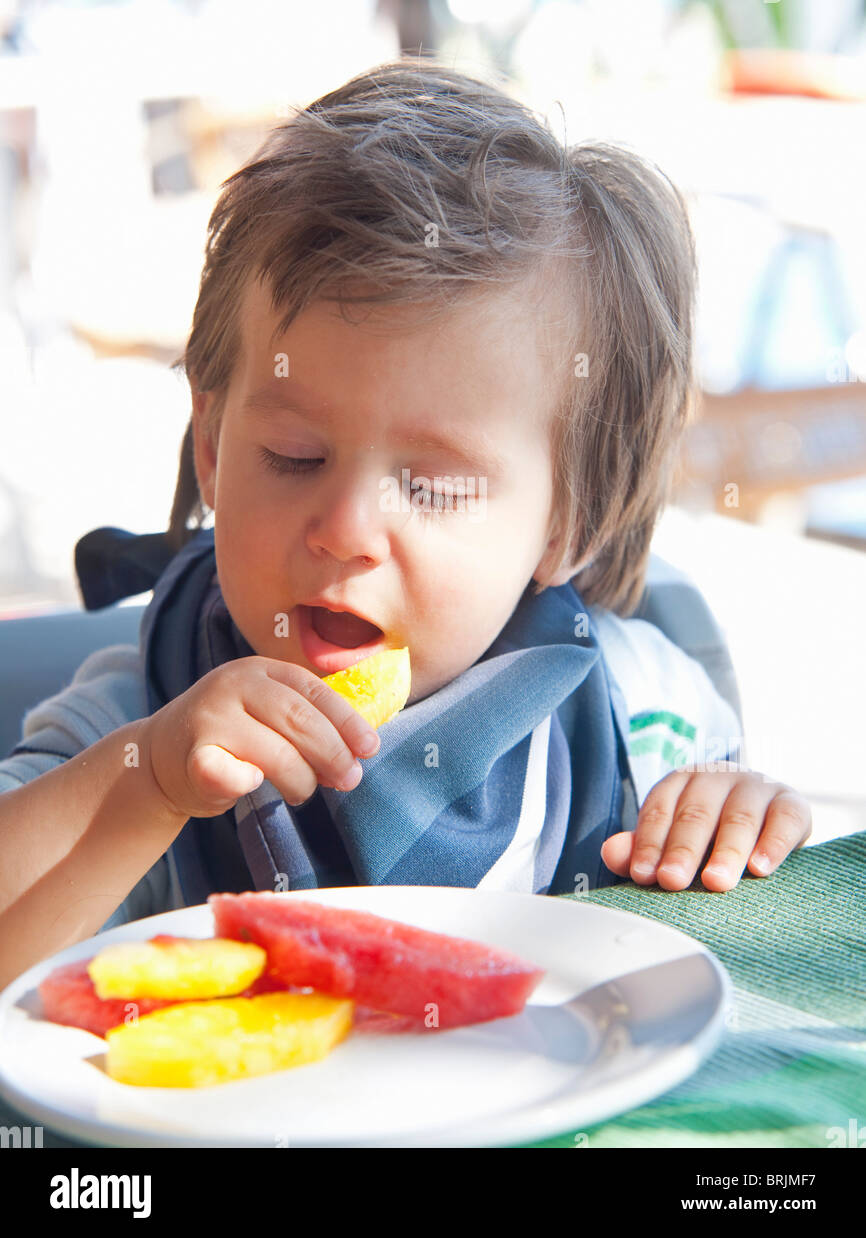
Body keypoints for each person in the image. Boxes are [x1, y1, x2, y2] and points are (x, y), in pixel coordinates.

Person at [0, 58, 810, 990]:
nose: (346, 527)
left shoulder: (642, 716)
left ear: (567, 522)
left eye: (429, 485)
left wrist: (733, 823)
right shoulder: (142, 714)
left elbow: (737, 939)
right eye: (295, 457)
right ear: (214, 446)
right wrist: (143, 791)